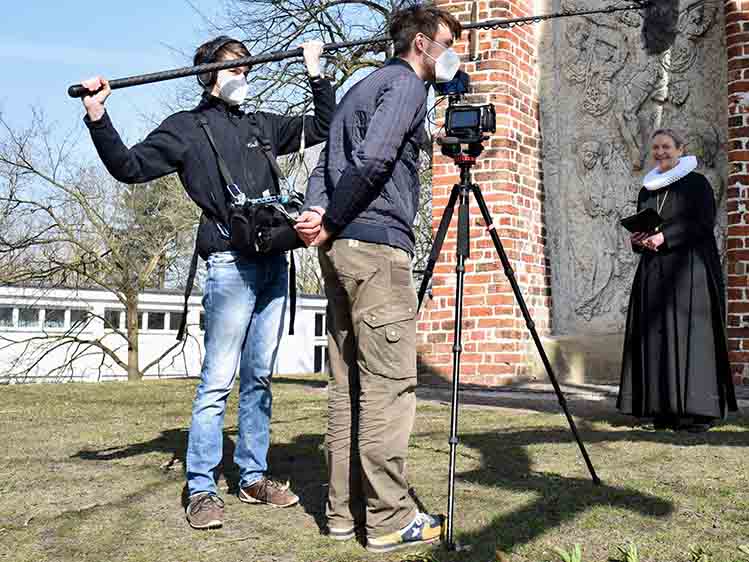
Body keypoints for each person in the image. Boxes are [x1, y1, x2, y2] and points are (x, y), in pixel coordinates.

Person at [78, 36, 335, 530]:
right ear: (208, 77)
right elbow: (128, 167)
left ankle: (253, 476)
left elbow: (323, 124)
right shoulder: (186, 130)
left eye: (248, 68)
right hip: (228, 266)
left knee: (259, 378)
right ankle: (201, 488)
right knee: (218, 382)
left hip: (273, 262)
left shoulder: (261, 125)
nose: (244, 76)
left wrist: (316, 73)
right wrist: (98, 116)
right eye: (234, 69)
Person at [293, 4, 462, 554]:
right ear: (420, 44)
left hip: (340, 252)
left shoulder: (360, 89)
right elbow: (373, 159)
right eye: (446, 44)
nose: (450, 55)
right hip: (376, 249)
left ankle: (343, 514)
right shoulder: (409, 88)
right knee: (389, 388)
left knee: (347, 388)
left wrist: (320, 216)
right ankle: (390, 517)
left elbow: (323, 166)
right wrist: (336, 217)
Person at [617, 129, 738, 432]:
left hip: (690, 270)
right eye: (656, 147)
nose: (660, 152)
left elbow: (702, 224)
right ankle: (661, 410)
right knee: (656, 336)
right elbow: (644, 224)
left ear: (681, 149)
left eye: (667, 147)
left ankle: (696, 413)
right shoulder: (647, 189)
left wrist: (665, 236)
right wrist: (640, 239)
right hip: (654, 271)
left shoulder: (697, 184)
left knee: (691, 338)